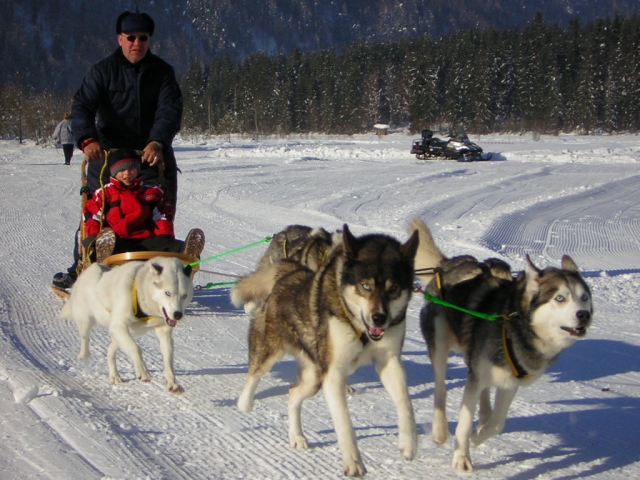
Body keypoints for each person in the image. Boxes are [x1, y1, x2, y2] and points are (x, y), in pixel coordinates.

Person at [53, 10, 183, 290]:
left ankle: (163, 269)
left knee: (156, 213)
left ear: (150, 40)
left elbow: (170, 111)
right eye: (131, 37)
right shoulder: (102, 71)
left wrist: (157, 141)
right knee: (97, 212)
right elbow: (82, 108)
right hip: (109, 156)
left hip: (152, 156)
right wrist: (88, 140)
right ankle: (83, 265)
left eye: (143, 38)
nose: (137, 43)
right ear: (120, 38)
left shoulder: (162, 73)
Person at [82, 148, 205, 263]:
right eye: (122, 170)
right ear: (114, 172)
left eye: (132, 170)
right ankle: (101, 253)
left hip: (145, 240)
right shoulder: (104, 193)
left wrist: (165, 236)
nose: (127, 174)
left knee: (166, 244)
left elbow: (161, 216)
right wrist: (95, 237)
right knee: (100, 245)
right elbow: (93, 218)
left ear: (137, 170)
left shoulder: (151, 192)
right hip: (117, 240)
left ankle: (186, 252)